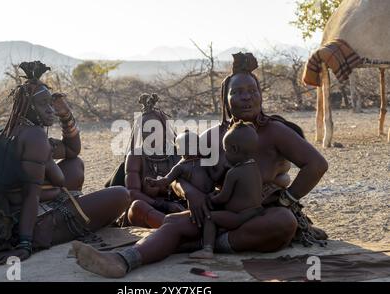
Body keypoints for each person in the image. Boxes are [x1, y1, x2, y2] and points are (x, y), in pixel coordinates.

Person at [71, 52, 329, 278]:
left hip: (258, 214)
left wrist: (287, 198)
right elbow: (181, 174)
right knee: (173, 223)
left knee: (283, 222)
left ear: (261, 95)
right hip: (215, 214)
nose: (247, 98)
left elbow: (316, 165)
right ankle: (122, 261)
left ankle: (205, 244)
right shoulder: (211, 137)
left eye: (253, 91)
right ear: (225, 99)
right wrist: (191, 192)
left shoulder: (274, 131)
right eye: (238, 92)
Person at [0, 61, 130, 262]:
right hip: (35, 220)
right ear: (28, 107)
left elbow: (72, 150)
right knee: (121, 195)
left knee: (76, 164)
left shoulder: (19, 130)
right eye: (43, 104)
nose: (50, 110)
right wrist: (25, 243)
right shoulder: (35, 138)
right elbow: (32, 194)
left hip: (29, 205)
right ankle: (48, 232)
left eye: (50, 104)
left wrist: (66, 115)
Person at [189, 121, 263, 259]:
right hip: (255, 211)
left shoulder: (233, 173)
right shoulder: (254, 167)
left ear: (234, 149)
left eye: (226, 150)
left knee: (210, 217)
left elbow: (223, 198)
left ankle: (207, 249)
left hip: (238, 216)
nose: (225, 154)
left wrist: (211, 198)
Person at [120, 93, 185, 228]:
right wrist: (163, 205)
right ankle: (175, 229)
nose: (150, 134)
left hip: (178, 208)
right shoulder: (135, 156)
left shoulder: (177, 153)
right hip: (149, 211)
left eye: (155, 129)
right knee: (138, 206)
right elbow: (132, 193)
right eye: (146, 130)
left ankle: (177, 228)